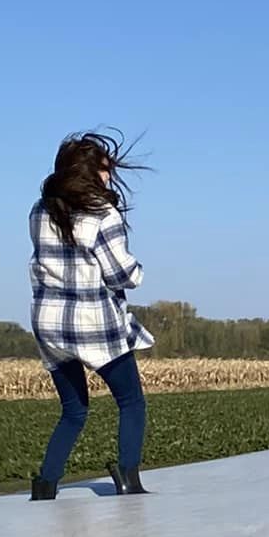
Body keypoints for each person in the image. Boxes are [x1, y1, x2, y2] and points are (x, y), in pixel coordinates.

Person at [28, 133, 154, 498]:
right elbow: (121, 274)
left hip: (50, 325)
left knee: (73, 410)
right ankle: (128, 477)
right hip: (93, 324)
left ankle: (45, 484)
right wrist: (138, 272)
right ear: (86, 173)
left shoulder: (40, 210)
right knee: (131, 402)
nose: (109, 177)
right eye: (104, 170)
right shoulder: (103, 214)